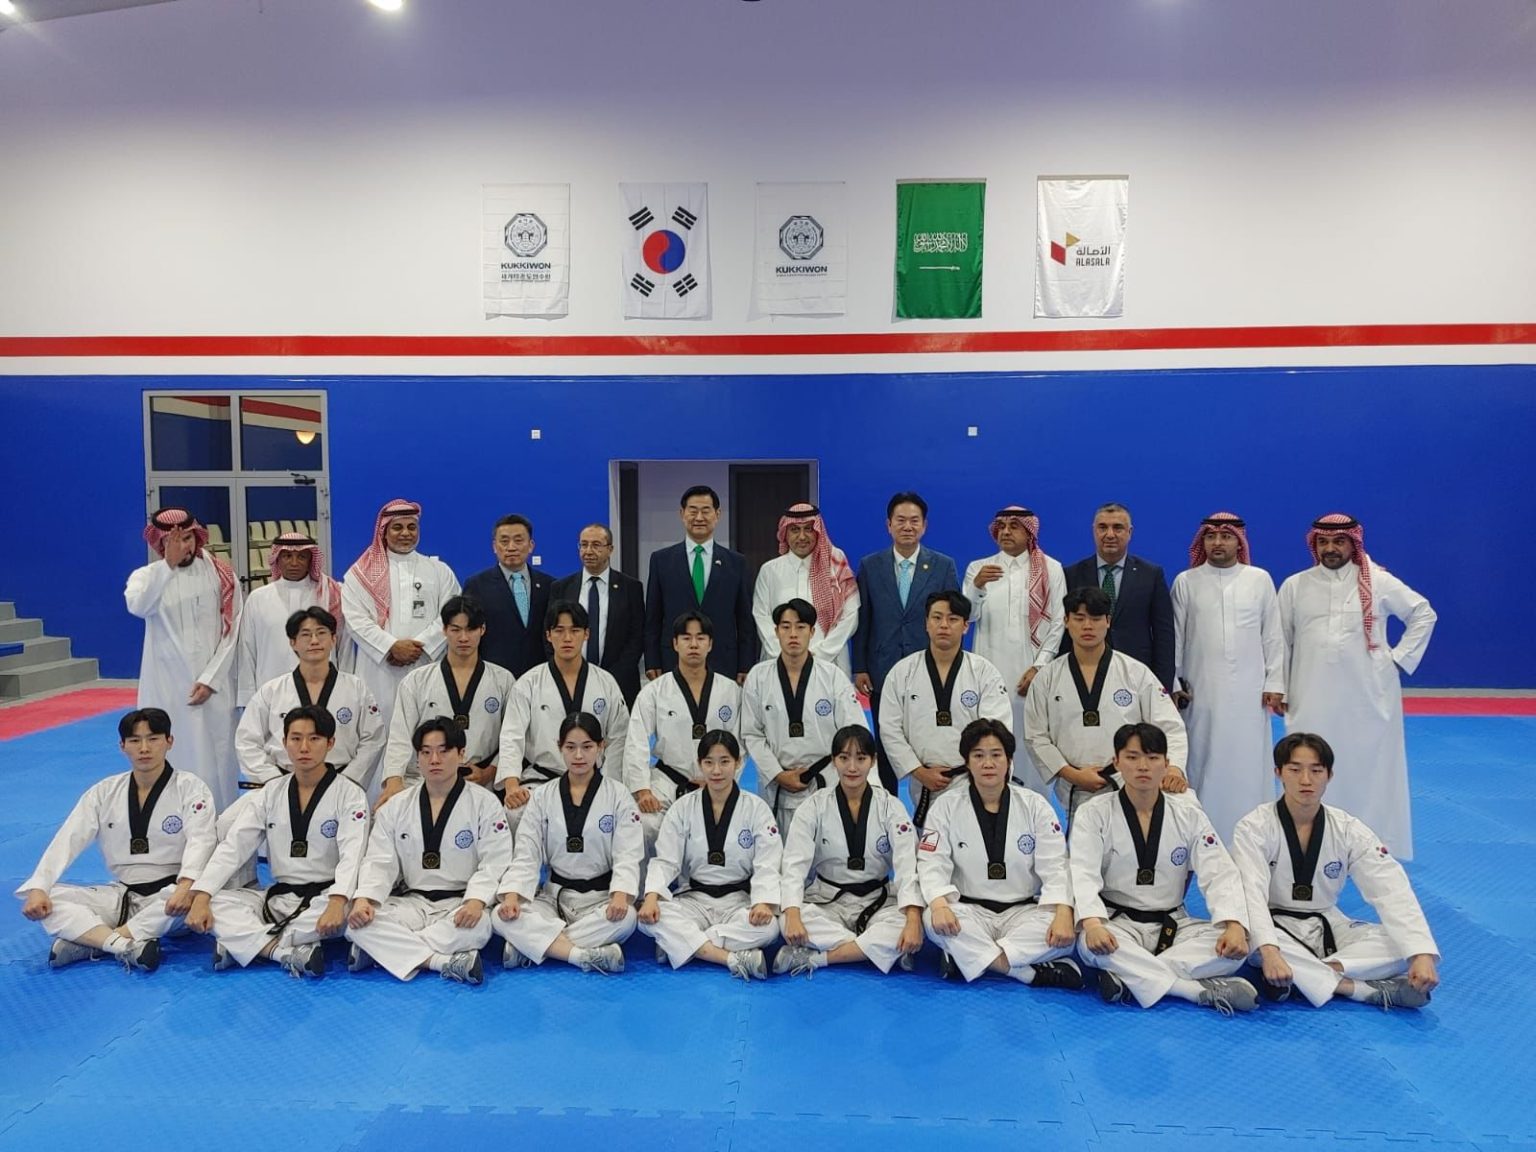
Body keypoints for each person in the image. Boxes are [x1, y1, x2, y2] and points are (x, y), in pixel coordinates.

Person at [1231, 733, 1440, 1009]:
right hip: (1273, 927)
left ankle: (1304, 977)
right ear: (1278, 773)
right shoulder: (1254, 827)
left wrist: (1421, 954)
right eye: (1295, 770)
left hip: (1327, 923)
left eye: (1316, 771)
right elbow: (1251, 895)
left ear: (1329, 775)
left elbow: (1391, 889)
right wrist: (1270, 952)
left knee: (1403, 944)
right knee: (1245, 943)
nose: (1306, 780)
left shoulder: (1348, 829)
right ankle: (1358, 989)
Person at [1278, 514, 1436, 858]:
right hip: (1310, 692)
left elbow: (1423, 613)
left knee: (1370, 767)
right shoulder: (1295, 585)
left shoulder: (1378, 581)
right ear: (1314, 544)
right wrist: (1280, 687)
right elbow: (1282, 641)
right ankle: (1312, 840)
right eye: (1323, 542)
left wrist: (1397, 659)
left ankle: (1370, 844)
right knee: (1310, 764)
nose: (1330, 549)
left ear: (1353, 543)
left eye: (1339, 542)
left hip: (1369, 696)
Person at [1071, 723, 1258, 1013]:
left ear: (1166, 764)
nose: (1143, 766)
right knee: (1088, 942)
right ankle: (1193, 991)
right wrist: (1094, 924)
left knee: (1236, 948)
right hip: (1118, 924)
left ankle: (1131, 976)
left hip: (1174, 924)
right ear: (1116, 762)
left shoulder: (1188, 815)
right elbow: (1082, 873)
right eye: (1132, 757)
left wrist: (1233, 924)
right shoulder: (1093, 813)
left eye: (1153, 757)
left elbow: (1219, 872)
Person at [17, 708, 216, 972]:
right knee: (48, 899)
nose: (144, 748)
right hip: (122, 895)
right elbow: (68, 839)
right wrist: (40, 886)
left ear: (169, 741)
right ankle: (124, 946)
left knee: (205, 900)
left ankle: (92, 942)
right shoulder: (104, 792)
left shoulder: (191, 788)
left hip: (171, 897)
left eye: (153, 739)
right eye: (134, 740)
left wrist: (186, 885)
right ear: (122, 746)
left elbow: (202, 841)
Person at [186, 706, 370, 979]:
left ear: (330, 743)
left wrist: (337, 900)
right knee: (212, 902)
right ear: (284, 742)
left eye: (314, 738)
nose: (304, 747)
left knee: (358, 914)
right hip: (278, 898)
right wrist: (202, 895)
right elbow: (234, 847)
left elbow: (352, 855)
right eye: (296, 738)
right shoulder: (271, 792)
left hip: (325, 899)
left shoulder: (350, 794)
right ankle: (283, 951)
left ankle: (247, 944)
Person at [345, 718, 511, 985]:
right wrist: (365, 899)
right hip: (411, 903)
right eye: (425, 752)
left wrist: (476, 901)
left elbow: (495, 861)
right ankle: (442, 962)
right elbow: (379, 862)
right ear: (418, 758)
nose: (434, 759)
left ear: (461, 754)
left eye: (443, 751)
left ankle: (384, 951)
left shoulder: (485, 803)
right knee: (357, 924)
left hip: (460, 903)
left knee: (480, 926)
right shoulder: (396, 806)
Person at [918, 719, 1082, 989]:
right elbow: (931, 863)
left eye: (996, 755)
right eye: (978, 756)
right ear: (967, 762)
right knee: (931, 919)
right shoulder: (945, 807)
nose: (988, 763)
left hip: (1023, 912)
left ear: (1009, 761)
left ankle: (969, 957)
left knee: (1069, 930)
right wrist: (938, 905)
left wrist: (1064, 912)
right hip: (968, 910)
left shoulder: (1035, 806)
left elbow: (1056, 866)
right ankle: (1025, 973)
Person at [493, 712, 642, 973]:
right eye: (570, 747)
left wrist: (620, 895)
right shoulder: (543, 796)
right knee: (499, 916)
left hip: (600, 899)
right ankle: (581, 955)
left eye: (587, 747)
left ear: (601, 746)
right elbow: (527, 854)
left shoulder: (619, 796)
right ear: (559, 747)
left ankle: (535, 946)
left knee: (627, 918)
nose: (579, 756)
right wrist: (513, 895)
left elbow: (627, 854)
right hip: (554, 897)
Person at [1169, 512, 1287, 842]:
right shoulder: (1186, 582)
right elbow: (1175, 637)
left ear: (1239, 542)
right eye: (1210, 537)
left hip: (1250, 695)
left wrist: (1275, 683)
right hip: (1200, 692)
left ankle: (1252, 835)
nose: (1217, 543)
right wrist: (1174, 683)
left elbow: (1273, 635)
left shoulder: (1259, 580)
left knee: (1247, 762)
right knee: (1202, 759)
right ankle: (1199, 833)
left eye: (1226, 536)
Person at [774, 726, 923, 976]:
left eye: (861, 758)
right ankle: (880, 949)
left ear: (873, 761)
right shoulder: (813, 806)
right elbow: (793, 865)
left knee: (914, 922)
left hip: (878, 899)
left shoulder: (891, 807)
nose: (852, 767)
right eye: (844, 758)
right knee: (785, 919)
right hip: (827, 900)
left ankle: (818, 958)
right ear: (834, 761)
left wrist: (914, 919)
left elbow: (908, 865)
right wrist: (792, 913)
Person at [1026, 587, 1187, 816]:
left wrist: (1174, 768)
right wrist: (1072, 774)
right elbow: (1036, 736)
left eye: (1095, 618)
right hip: (1073, 785)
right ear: (1066, 621)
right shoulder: (1047, 678)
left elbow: (1169, 725)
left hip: (1128, 783)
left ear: (1108, 621)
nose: (1087, 626)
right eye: (1079, 618)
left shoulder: (1135, 672)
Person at [637, 731, 782, 979]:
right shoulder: (682, 807)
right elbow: (666, 860)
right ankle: (730, 957)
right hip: (692, 899)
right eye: (709, 762)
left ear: (738, 763)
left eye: (724, 762)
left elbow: (767, 863)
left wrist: (763, 902)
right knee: (646, 919)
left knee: (770, 929)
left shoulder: (757, 809)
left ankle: (682, 945)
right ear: (699, 764)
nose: (716, 771)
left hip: (738, 901)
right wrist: (651, 897)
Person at [125, 507, 243, 810]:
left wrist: (211, 679)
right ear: (159, 543)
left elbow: (232, 631)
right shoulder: (146, 577)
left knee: (220, 761)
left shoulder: (221, 575)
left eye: (187, 539)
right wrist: (168, 565)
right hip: (168, 690)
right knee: (172, 756)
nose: (183, 547)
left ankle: (222, 826)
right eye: (173, 541)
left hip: (215, 688)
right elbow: (139, 606)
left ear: (198, 536)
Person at [854, 491, 960, 793]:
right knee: (886, 740)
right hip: (881, 669)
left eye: (914, 521)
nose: (907, 527)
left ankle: (929, 804)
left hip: (928, 668)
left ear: (924, 526)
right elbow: (864, 619)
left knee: (926, 739)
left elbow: (952, 618)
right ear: (889, 525)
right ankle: (887, 805)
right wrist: (860, 666)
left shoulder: (942, 565)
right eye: (900, 520)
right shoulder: (871, 565)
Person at [877, 590, 1011, 827]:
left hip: (972, 778)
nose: (944, 625)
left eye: (953, 619)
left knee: (974, 839)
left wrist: (980, 770)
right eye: (937, 618)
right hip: (924, 780)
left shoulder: (984, 672)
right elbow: (889, 729)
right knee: (930, 844)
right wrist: (918, 771)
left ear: (966, 626)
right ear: (926, 623)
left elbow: (996, 730)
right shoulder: (902, 673)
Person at [496, 601, 630, 832]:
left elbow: (619, 738)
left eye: (575, 630)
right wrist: (511, 784)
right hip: (542, 780)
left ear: (586, 634)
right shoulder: (528, 683)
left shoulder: (605, 682)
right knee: (515, 813)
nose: (567, 638)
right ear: (548, 635)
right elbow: (511, 736)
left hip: (594, 780)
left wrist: (610, 785)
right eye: (559, 630)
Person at [963, 506, 1068, 793]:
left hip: (1031, 676)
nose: (1006, 532)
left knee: (1032, 741)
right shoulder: (978, 568)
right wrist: (977, 586)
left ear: (1029, 531)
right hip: (988, 675)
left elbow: (1058, 622)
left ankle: (1035, 809)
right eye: (1001, 526)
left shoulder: (1051, 569)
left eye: (1014, 526)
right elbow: (967, 616)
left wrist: (1040, 667)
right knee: (990, 741)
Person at [742, 598, 868, 834]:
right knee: (777, 852)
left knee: (827, 849)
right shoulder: (758, 677)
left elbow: (855, 733)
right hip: (777, 786)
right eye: (786, 626)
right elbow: (752, 734)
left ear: (811, 632)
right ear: (776, 632)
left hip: (825, 782)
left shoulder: (833, 677)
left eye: (800, 627)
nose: (793, 634)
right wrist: (778, 774)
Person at [378, 595, 516, 807]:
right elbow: (400, 736)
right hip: (424, 779)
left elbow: (511, 738)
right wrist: (394, 782)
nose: (463, 638)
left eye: (471, 629)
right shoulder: (416, 681)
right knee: (385, 812)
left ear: (482, 629)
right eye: (455, 629)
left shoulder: (503, 680)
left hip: (480, 780)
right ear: (444, 630)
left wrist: (490, 772)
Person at [622, 611, 742, 851]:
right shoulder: (655, 691)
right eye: (686, 638)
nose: (694, 644)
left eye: (700, 638)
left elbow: (741, 744)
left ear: (710, 644)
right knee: (643, 825)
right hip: (667, 782)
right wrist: (642, 790)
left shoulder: (730, 691)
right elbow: (636, 741)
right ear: (675, 644)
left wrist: (722, 781)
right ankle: (648, 878)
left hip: (716, 783)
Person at [235, 607, 385, 790]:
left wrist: (349, 781)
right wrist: (273, 780)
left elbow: (373, 738)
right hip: (283, 782)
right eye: (306, 635)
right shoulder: (271, 691)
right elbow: (247, 740)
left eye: (321, 633)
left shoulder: (357, 689)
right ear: (293, 642)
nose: (314, 641)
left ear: (334, 639)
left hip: (341, 782)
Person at [340, 498, 461, 724]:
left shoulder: (439, 571)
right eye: (397, 527)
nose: (405, 533)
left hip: (426, 663)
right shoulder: (360, 574)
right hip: (379, 669)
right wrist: (390, 647)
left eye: (411, 527)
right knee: (378, 730)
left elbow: (451, 614)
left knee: (429, 729)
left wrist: (420, 647)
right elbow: (355, 620)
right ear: (384, 532)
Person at [644, 485, 757, 683]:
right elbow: (653, 616)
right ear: (682, 514)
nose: (699, 517)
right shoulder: (661, 560)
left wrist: (746, 664)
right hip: (673, 660)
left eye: (706, 511)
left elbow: (745, 620)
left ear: (717, 514)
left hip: (724, 661)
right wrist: (652, 660)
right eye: (693, 511)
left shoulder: (736, 562)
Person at [1061, 503, 1175, 690]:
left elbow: (1164, 634)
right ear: (1094, 531)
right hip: (1083, 672)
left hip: (1137, 675)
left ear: (1130, 532)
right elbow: (1064, 630)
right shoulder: (1072, 574)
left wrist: (1163, 687)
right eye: (1103, 527)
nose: (1110, 534)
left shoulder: (1151, 575)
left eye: (1118, 528)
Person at [235, 532, 346, 708]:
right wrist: (247, 699)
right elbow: (247, 651)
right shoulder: (258, 598)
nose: (294, 563)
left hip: (323, 692)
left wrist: (344, 688)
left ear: (311, 560)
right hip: (270, 694)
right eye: (287, 556)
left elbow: (343, 647)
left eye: (301, 556)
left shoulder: (329, 595)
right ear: (277, 559)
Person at [752, 503, 860, 677]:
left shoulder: (835, 563)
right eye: (795, 530)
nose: (802, 536)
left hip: (830, 665)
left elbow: (850, 616)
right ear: (785, 533)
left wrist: (820, 655)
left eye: (808, 529)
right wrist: (787, 655)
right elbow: (761, 617)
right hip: (779, 663)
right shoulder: (770, 571)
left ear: (817, 531)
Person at [551, 523, 646, 706]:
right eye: (584, 545)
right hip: (569, 680)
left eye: (596, 545)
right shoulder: (561, 588)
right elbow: (550, 633)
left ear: (610, 549)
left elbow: (637, 637)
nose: (588, 551)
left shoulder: (631, 587)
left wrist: (609, 678)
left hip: (619, 682)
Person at [462, 514, 553, 677]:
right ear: (494, 546)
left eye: (518, 540)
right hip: (494, 676)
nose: (511, 547)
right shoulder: (476, 586)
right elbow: (469, 633)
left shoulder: (550, 585)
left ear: (531, 545)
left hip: (541, 676)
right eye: (504, 541)